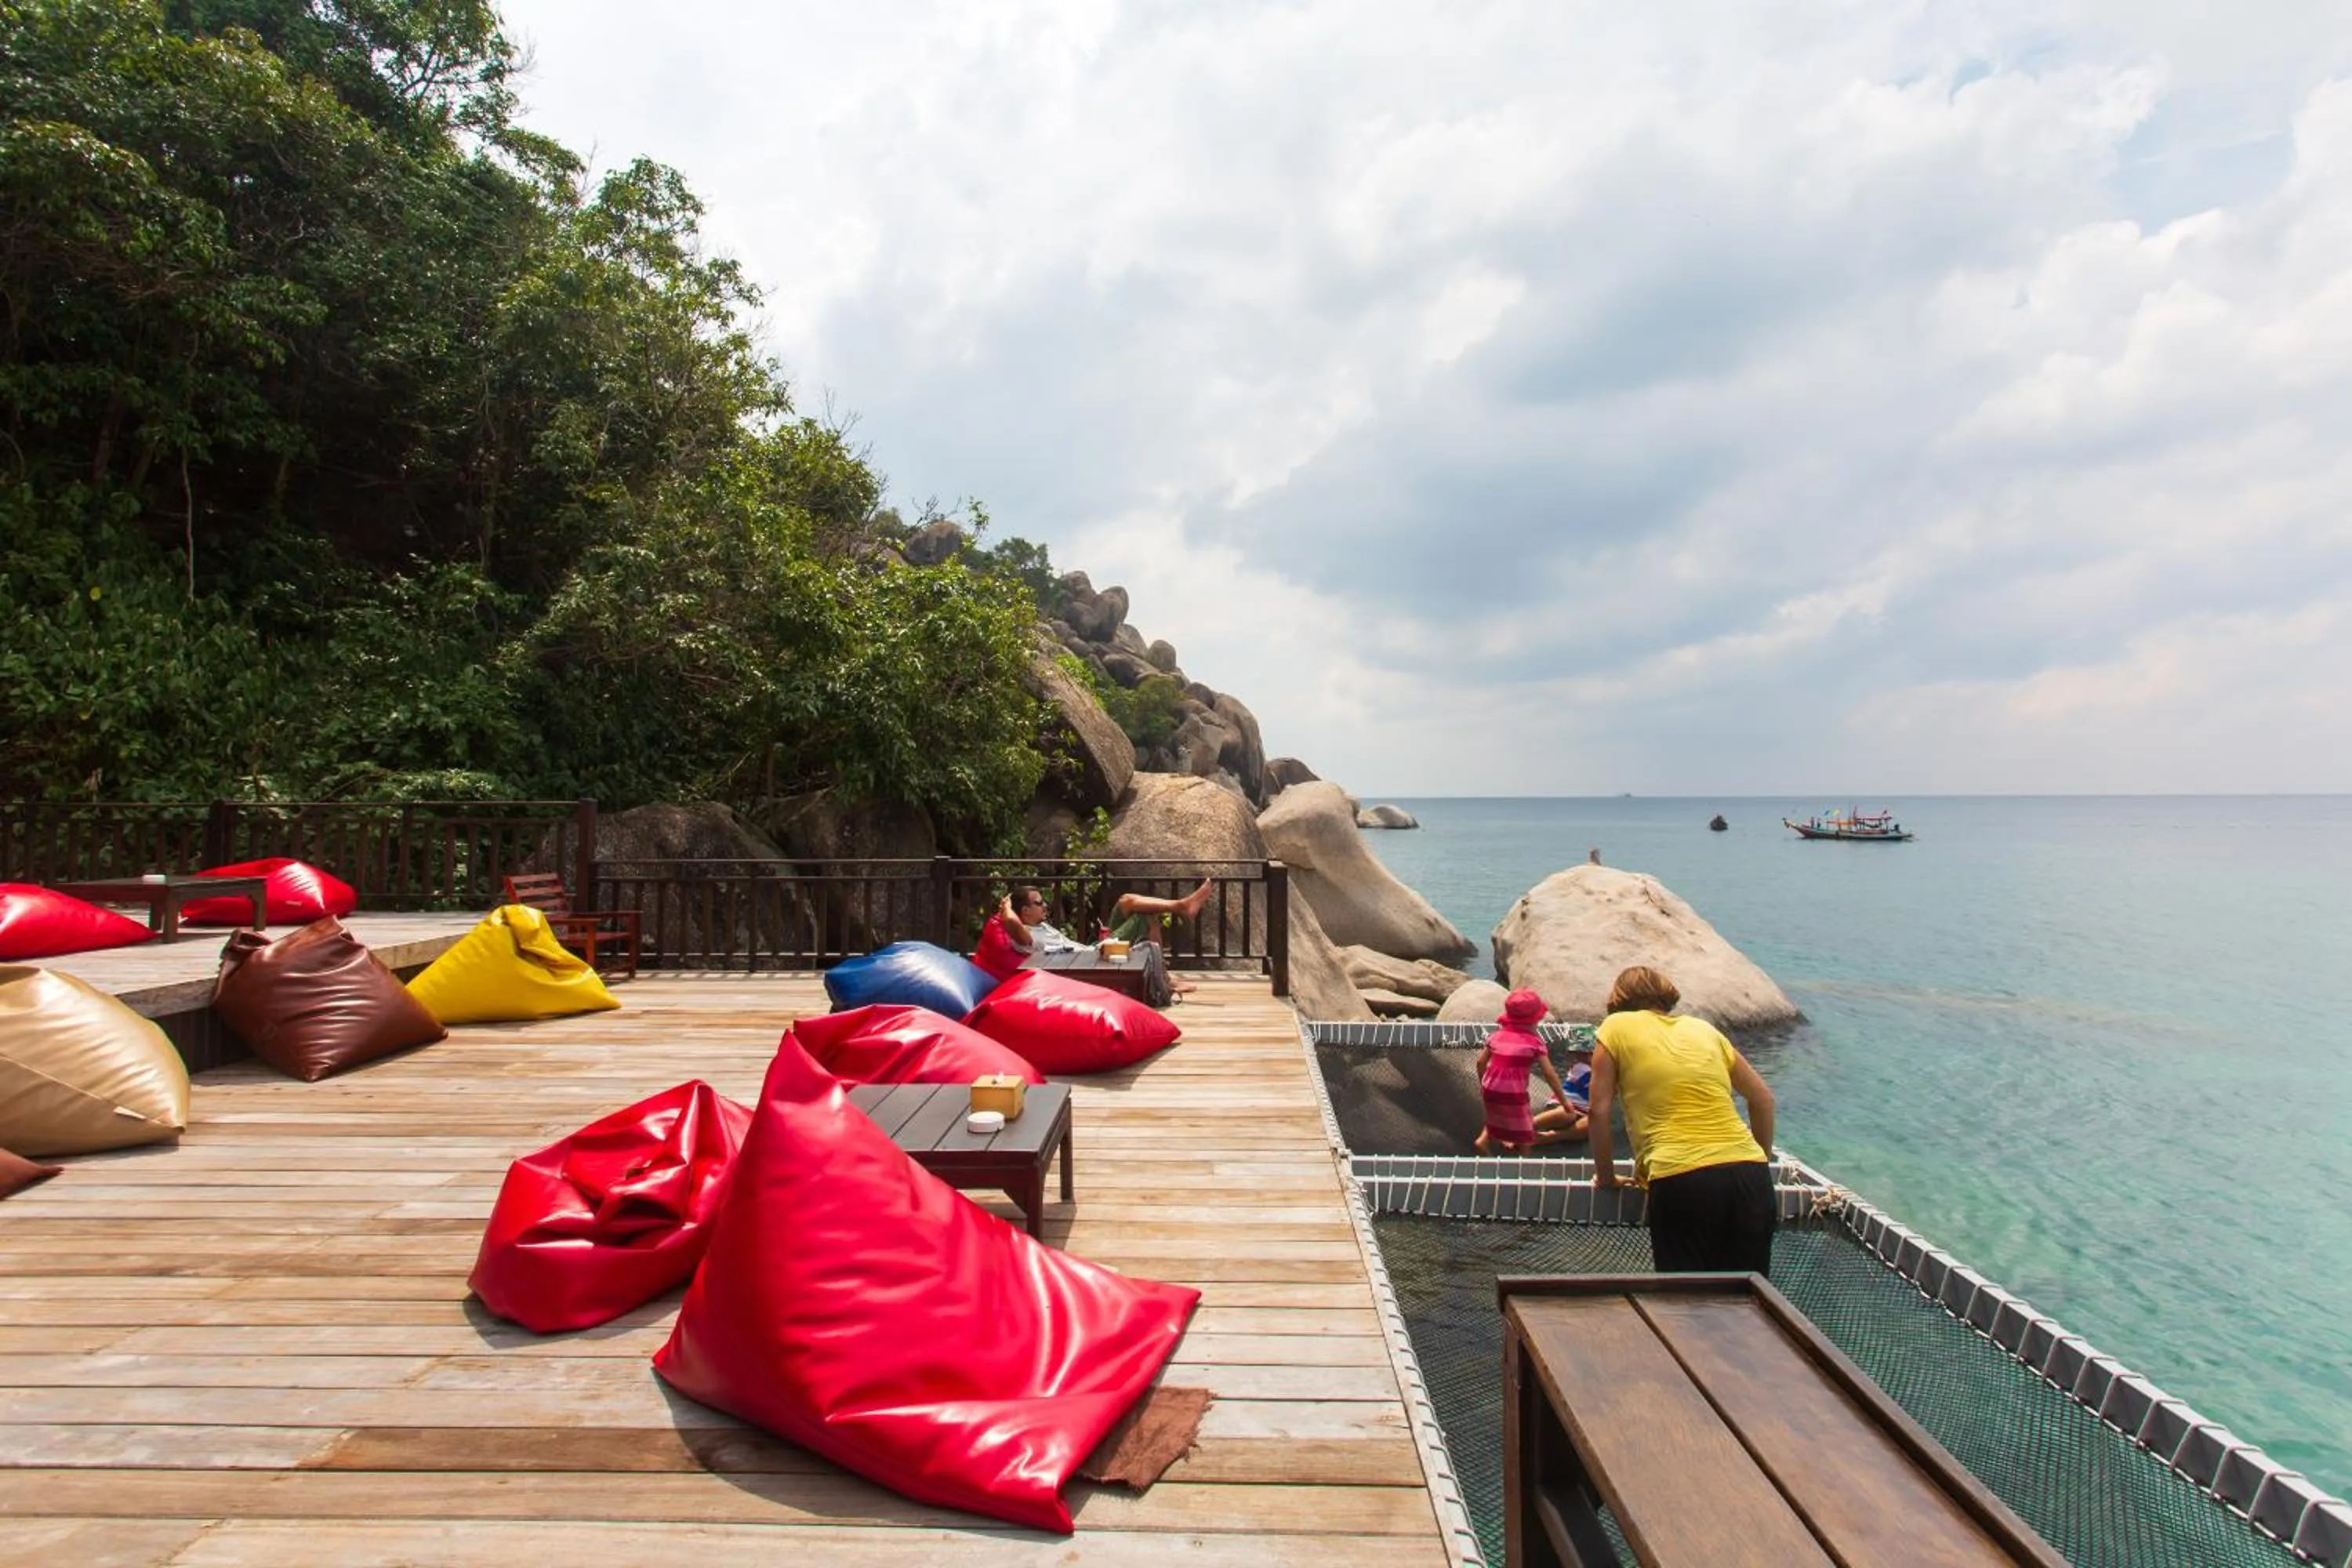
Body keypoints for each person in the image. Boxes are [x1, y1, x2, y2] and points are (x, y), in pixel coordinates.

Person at [1587, 964, 1778, 1275]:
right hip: (1750, 1175)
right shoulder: (1705, 1030)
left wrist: (1606, 1177)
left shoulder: (1615, 1027)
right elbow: (1763, 1101)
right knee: (1749, 1305)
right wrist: (1760, 1160)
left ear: (1618, 999)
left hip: (1681, 1177)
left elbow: (1598, 1111)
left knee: (1685, 1304)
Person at [993, 880, 1215, 1005]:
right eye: (1039, 903)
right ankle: (1165, 980)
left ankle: (1182, 905)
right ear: (1024, 911)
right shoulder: (1027, 936)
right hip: (1093, 959)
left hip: (1092, 951)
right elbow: (1012, 925)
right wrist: (1006, 908)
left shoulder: (1040, 925)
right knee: (1145, 918)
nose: (1045, 906)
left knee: (1126, 901)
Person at [1474, 989, 1573, 1156]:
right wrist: (1564, 1102)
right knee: (1525, 1131)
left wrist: (1485, 1084)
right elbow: (1550, 1074)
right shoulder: (1534, 1043)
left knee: (1496, 1115)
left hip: (1490, 1086)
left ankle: (1483, 1141)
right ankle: (1524, 1162)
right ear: (1534, 1020)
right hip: (1514, 1092)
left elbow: (1480, 1062)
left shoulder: (1496, 1036)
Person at [1530, 1048, 1593, 1142]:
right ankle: (1525, 1127)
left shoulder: (1597, 1068)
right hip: (1563, 1105)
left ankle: (1551, 1136)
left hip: (1583, 1113)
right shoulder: (1582, 1068)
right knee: (1567, 1114)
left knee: (1593, 1124)